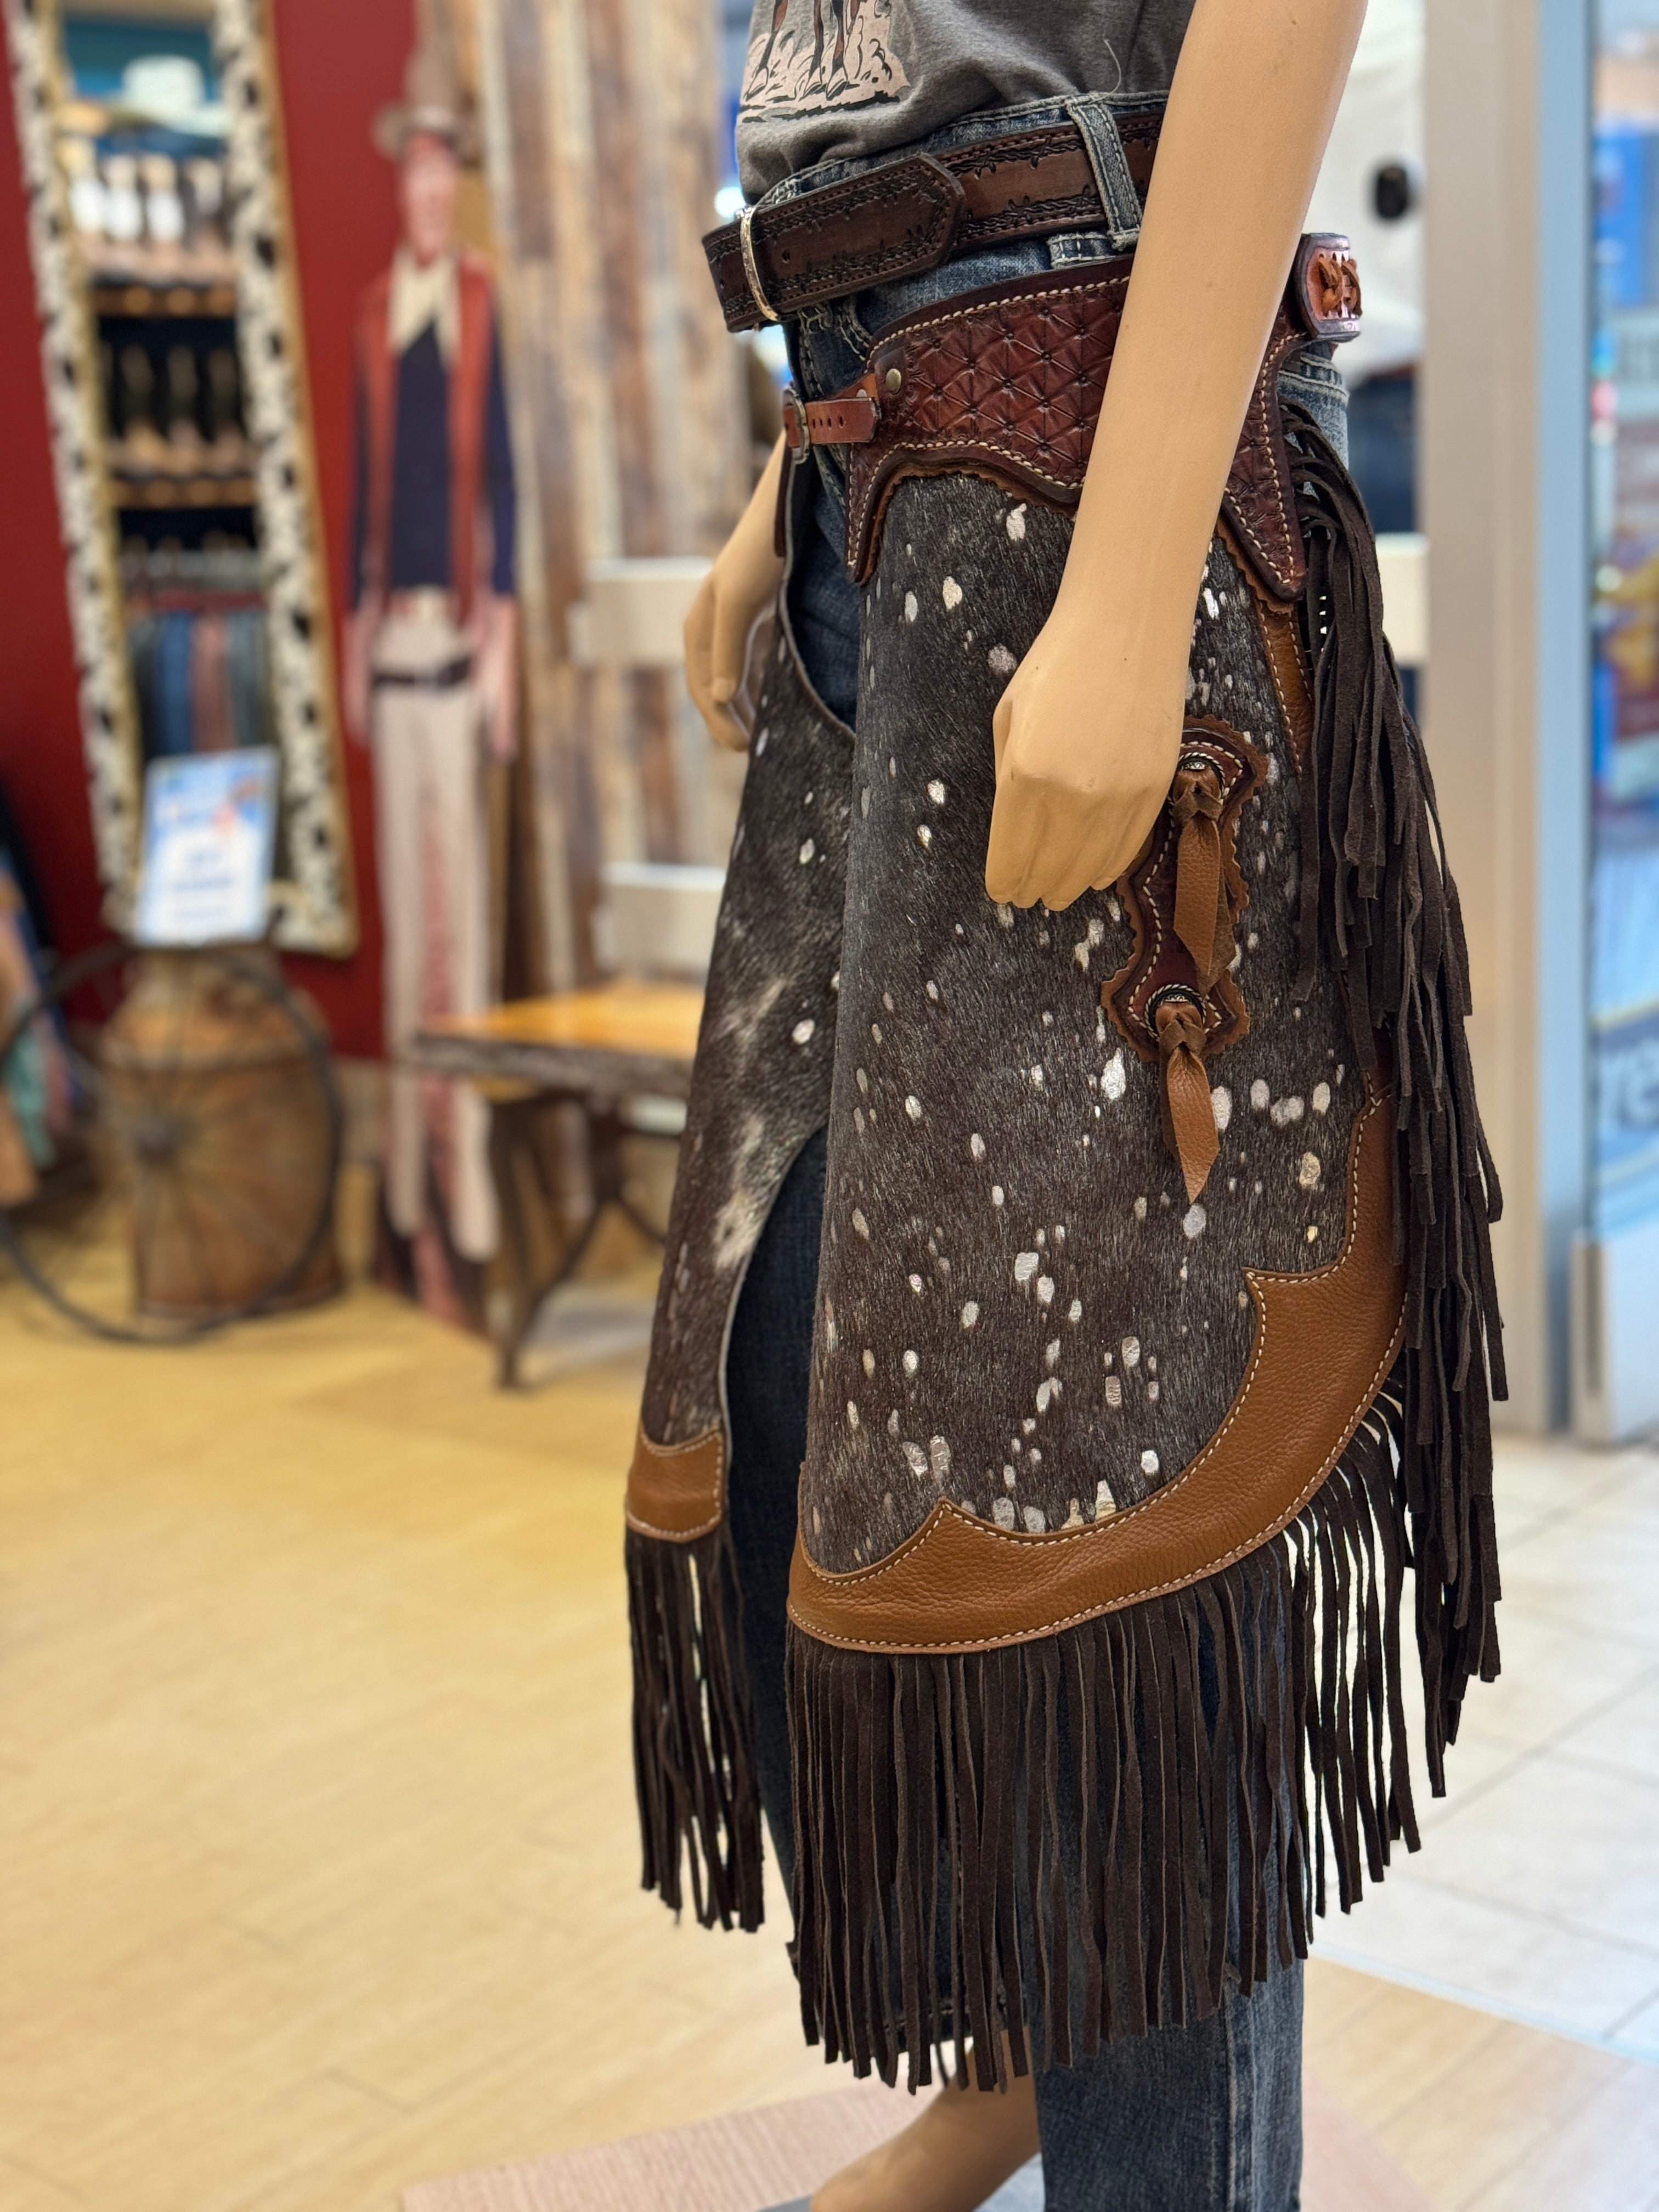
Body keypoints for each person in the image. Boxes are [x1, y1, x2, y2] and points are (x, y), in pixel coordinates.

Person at [627, 6, 1504, 2210]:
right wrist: (784, 487)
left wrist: (1127, 583)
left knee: (1131, 1494)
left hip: (1084, 447)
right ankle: (1022, 2057)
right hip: (869, 452)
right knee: (825, 1371)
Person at [344, 42, 517, 1324]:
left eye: (442, 169)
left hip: (459, 657)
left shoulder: (478, 310)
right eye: (413, 167)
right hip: (391, 652)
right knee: (411, 940)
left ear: (456, 184)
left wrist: (500, 646)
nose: (426, 188)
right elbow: (368, 488)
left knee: (460, 934)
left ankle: (470, 1211)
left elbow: (500, 482)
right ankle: (407, 1212)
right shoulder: (374, 318)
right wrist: (356, 637)